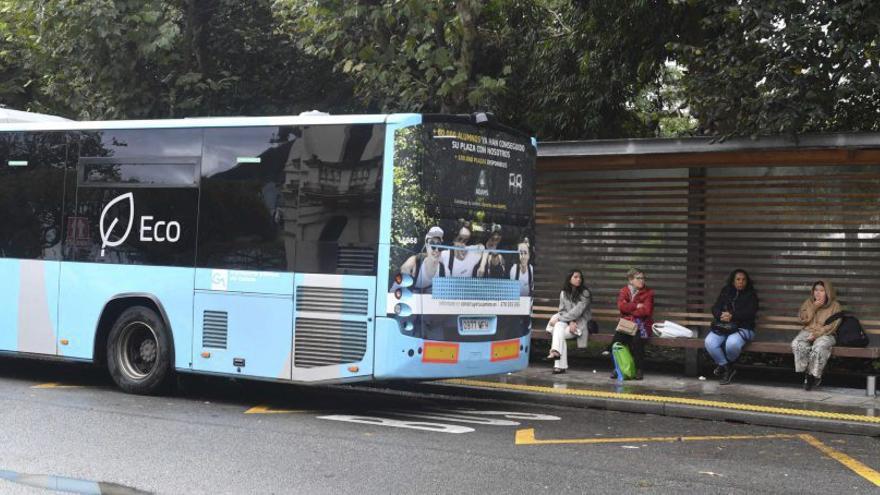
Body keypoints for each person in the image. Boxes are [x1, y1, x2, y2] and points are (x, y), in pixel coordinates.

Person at [705, 269, 759, 385]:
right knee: (710, 342)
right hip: (724, 326)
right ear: (733, 281)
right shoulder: (726, 291)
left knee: (732, 343)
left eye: (744, 280)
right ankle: (727, 367)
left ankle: (725, 367)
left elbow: (750, 313)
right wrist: (720, 315)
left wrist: (732, 316)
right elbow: (715, 307)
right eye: (738, 279)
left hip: (744, 328)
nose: (741, 282)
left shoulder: (751, 295)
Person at [792, 280, 842, 390]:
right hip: (807, 331)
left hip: (826, 334)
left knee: (818, 348)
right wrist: (813, 308)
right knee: (797, 343)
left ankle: (812, 376)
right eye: (816, 290)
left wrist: (816, 334)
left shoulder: (835, 306)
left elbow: (833, 326)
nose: (817, 293)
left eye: (821, 290)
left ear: (828, 292)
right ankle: (807, 372)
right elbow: (803, 319)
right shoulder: (809, 302)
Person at [609, 268, 654, 380]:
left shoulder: (648, 293)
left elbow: (646, 311)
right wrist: (636, 306)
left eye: (643, 278)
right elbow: (621, 307)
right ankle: (618, 367)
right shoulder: (624, 291)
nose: (642, 281)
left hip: (642, 324)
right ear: (630, 280)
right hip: (627, 324)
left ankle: (639, 369)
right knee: (617, 340)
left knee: (637, 340)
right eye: (638, 278)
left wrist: (629, 309)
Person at [546, 269, 591, 374]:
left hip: (580, 324)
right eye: (575, 277)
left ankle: (558, 362)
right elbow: (562, 311)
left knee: (558, 330)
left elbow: (577, 312)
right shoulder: (563, 293)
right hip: (567, 323)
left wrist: (561, 319)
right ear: (569, 279)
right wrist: (570, 321)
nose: (578, 279)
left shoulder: (585, 293)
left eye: (580, 277)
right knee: (559, 329)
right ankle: (557, 356)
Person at [399, 226, 445, 292]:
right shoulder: (415, 264)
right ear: (426, 245)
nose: (436, 250)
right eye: (432, 244)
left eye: (439, 245)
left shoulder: (442, 269)